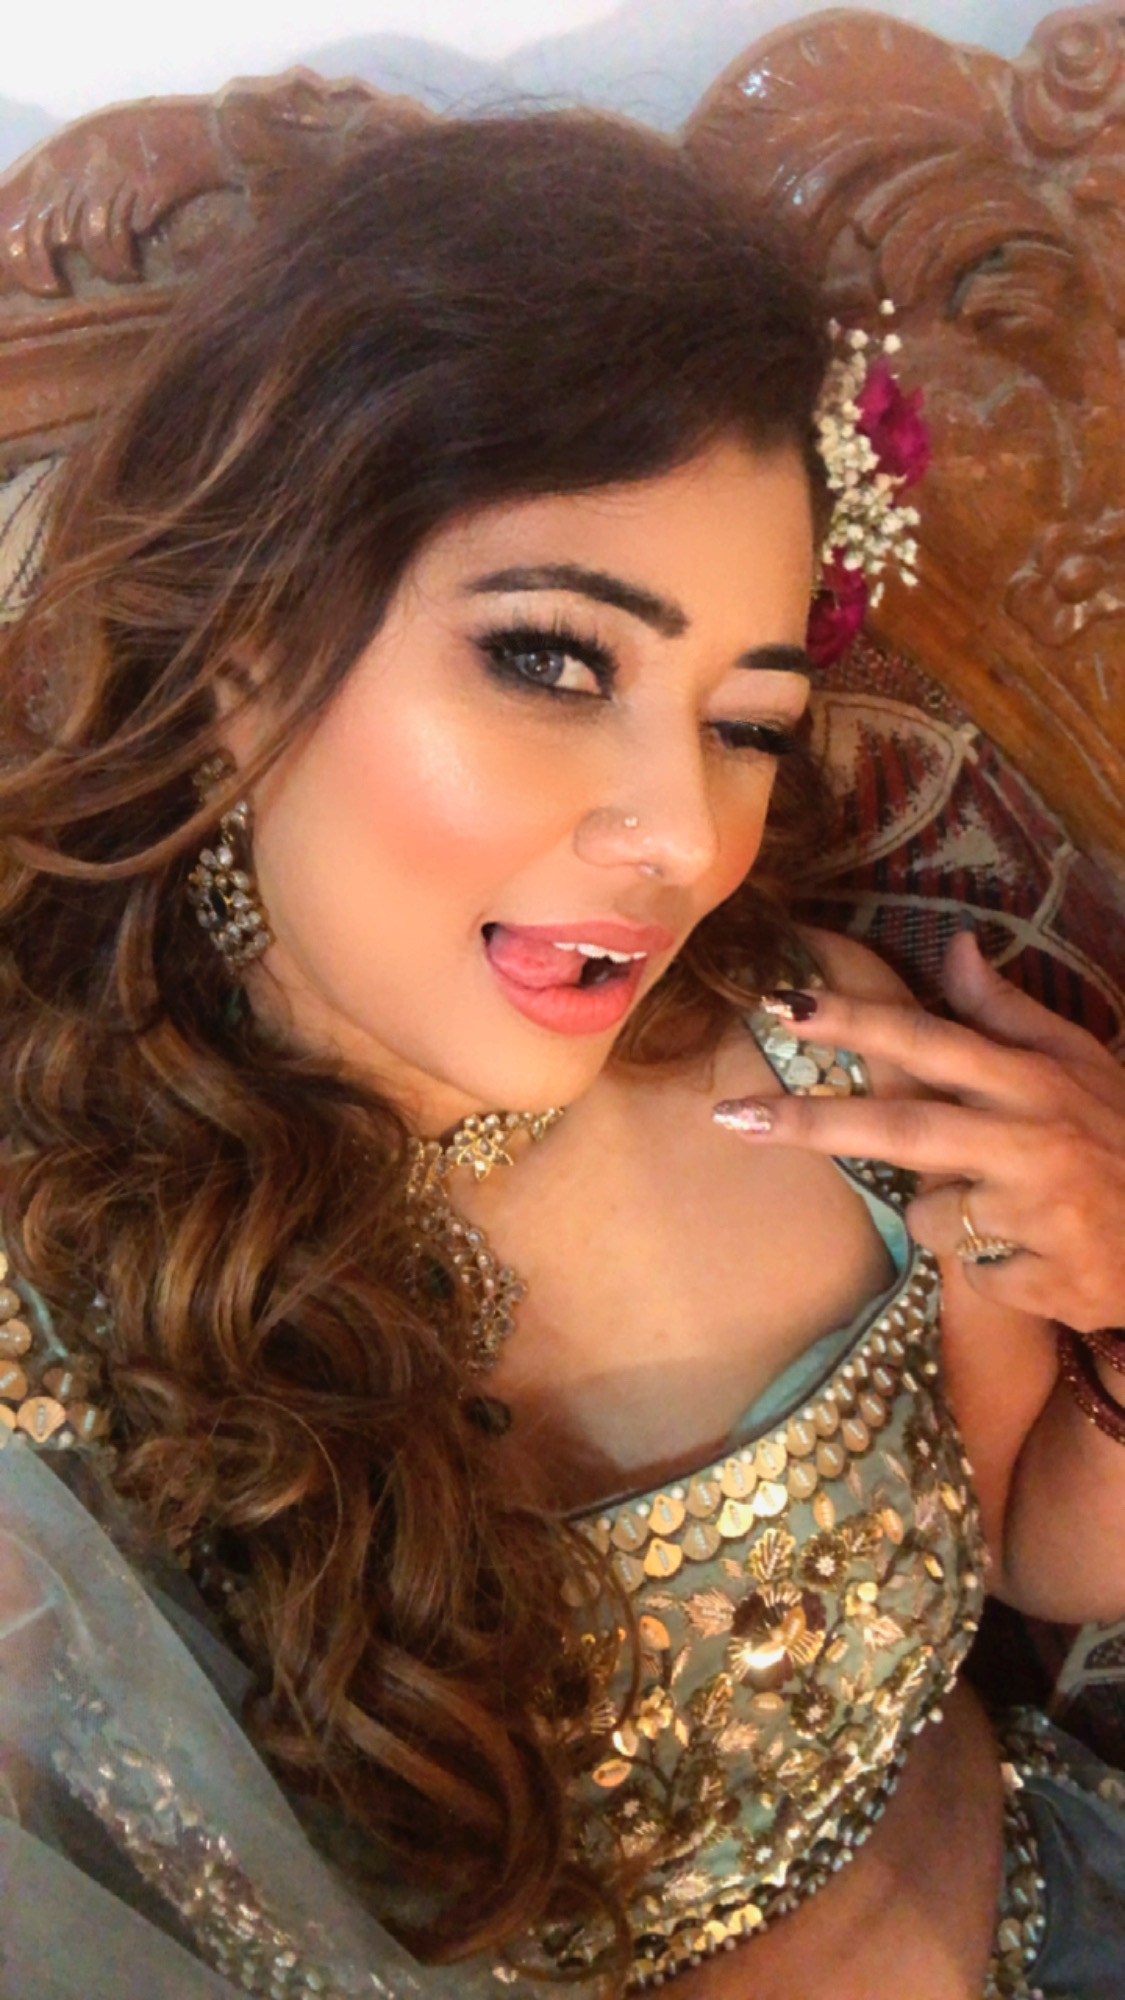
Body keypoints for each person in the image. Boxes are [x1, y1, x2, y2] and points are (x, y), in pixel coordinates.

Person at [1, 109, 1124, 2000]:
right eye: (549, 660)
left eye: (746, 723)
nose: (679, 836)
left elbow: (1030, 1542)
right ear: (244, 649)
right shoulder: (46, 1311)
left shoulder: (815, 1045)